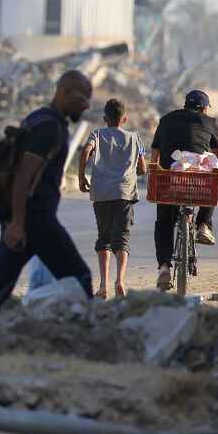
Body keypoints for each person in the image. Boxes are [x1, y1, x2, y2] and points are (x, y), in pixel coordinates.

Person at [0, 70, 94, 326]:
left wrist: (15, 221)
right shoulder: (49, 127)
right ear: (65, 92)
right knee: (79, 276)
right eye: (83, 98)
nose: (86, 105)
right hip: (35, 219)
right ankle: (88, 332)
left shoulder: (39, 119)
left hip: (25, 217)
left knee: (0, 281)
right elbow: (23, 176)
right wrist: (18, 222)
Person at [150, 89, 218, 290]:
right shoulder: (209, 122)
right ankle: (203, 225)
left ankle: (164, 267)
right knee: (212, 186)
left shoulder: (165, 120)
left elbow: (155, 151)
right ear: (203, 108)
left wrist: (156, 173)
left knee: (164, 221)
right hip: (197, 180)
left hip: (168, 179)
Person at [77, 98, 147, 299]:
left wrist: (82, 176)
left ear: (104, 118)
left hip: (102, 193)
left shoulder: (97, 135)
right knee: (122, 238)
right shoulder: (135, 138)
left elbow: (85, 150)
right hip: (125, 193)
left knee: (104, 238)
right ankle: (121, 281)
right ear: (124, 119)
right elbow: (142, 168)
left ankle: (103, 285)